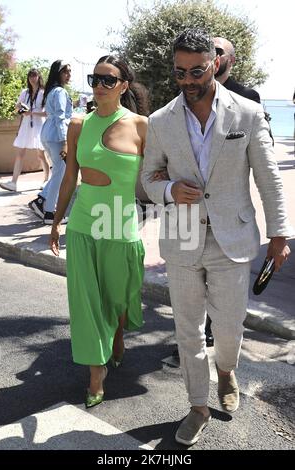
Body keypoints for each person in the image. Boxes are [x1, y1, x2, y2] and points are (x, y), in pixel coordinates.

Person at [141, 28, 292, 446]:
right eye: (179, 73)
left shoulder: (246, 113)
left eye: (196, 71)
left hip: (234, 239)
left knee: (228, 327)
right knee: (188, 330)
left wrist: (279, 234)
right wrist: (170, 190)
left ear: (215, 64)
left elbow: (270, 180)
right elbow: (148, 178)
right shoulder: (160, 121)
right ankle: (197, 406)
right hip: (182, 239)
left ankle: (226, 369)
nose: (188, 81)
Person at [49, 55, 148, 408]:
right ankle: (96, 373)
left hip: (120, 224)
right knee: (86, 301)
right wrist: (57, 220)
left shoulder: (141, 126)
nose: (99, 86)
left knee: (119, 297)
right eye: (95, 79)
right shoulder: (78, 124)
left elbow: (153, 179)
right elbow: (69, 177)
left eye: (109, 80)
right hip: (83, 223)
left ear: (123, 85)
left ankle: (118, 334)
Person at [28, 60, 73, 224]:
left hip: (47, 134)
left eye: (69, 71)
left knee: (58, 172)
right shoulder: (59, 91)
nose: (69, 75)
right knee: (60, 173)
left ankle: (43, 203)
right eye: (65, 71)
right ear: (58, 73)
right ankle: (48, 212)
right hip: (56, 137)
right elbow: (61, 117)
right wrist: (65, 142)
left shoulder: (51, 90)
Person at [0, 69, 50, 192]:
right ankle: (13, 182)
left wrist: (31, 112)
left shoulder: (43, 93)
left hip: (39, 125)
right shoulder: (25, 93)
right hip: (26, 125)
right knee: (20, 154)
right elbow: (17, 108)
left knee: (41, 155)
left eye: (34, 75)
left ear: (39, 77)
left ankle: (47, 180)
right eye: (30, 75)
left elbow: (47, 113)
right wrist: (21, 109)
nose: (32, 78)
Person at [213, 37, 261, 103]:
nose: (212, 56)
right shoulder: (196, 92)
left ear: (231, 60)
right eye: (208, 52)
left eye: (217, 51)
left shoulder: (248, 97)